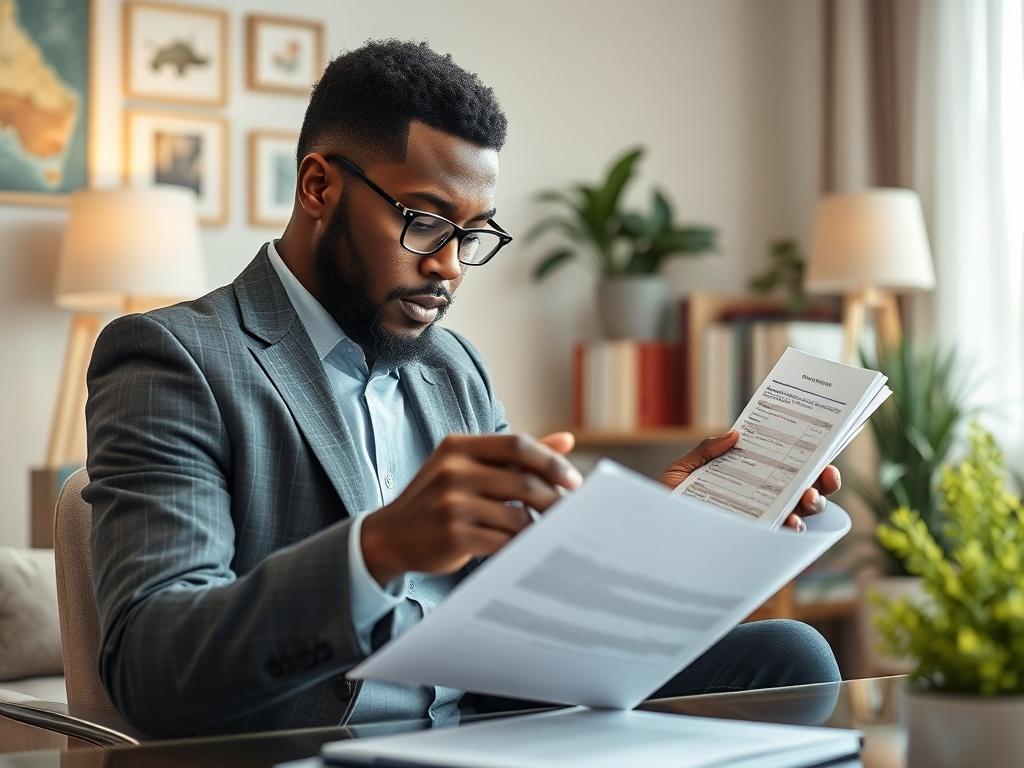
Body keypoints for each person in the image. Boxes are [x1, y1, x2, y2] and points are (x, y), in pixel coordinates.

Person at [84, 40, 841, 739]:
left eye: (473, 234)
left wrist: (679, 532)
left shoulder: (453, 368)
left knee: (792, 657)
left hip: (481, 725)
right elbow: (151, 664)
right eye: (426, 221)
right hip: (317, 744)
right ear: (318, 186)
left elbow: (531, 608)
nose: (450, 266)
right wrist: (377, 549)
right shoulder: (175, 358)